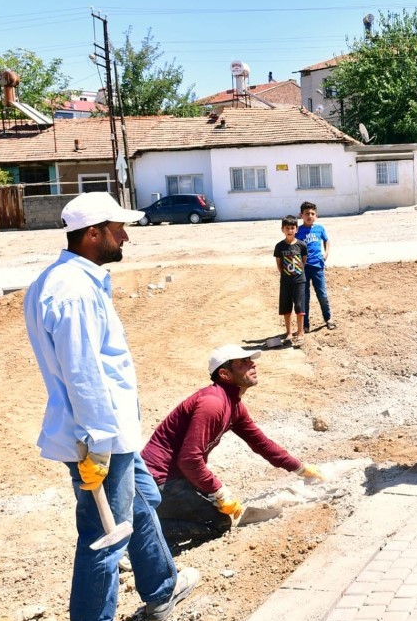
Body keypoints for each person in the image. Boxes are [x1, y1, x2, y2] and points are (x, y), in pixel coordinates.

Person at [23, 191, 199, 621]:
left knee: (141, 503)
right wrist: (99, 444)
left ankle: (162, 588)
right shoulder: (73, 291)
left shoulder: (68, 281)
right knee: (105, 530)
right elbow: (83, 373)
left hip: (111, 430)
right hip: (97, 435)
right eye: (117, 229)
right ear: (92, 234)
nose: (125, 237)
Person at [142, 345, 325, 537]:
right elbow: (189, 460)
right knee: (218, 523)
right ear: (225, 374)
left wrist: (300, 468)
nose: (252, 364)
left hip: (178, 476)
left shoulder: (233, 405)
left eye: (250, 360)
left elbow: (261, 443)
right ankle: (142, 526)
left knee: (214, 507)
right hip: (158, 479)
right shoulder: (212, 403)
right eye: (243, 362)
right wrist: (219, 491)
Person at [296, 201, 334, 331]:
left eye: (312, 214)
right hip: (303, 268)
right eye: (307, 213)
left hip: (317, 266)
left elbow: (326, 240)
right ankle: (305, 324)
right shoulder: (298, 231)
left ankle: (328, 319)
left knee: (322, 294)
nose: (310, 216)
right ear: (301, 215)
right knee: (304, 296)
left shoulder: (320, 229)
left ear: (316, 216)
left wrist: (326, 253)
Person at [274, 216, 308, 346]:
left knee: (299, 306)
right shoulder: (279, 246)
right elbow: (279, 264)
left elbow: (303, 261)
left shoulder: (301, 245)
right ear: (282, 229)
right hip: (285, 281)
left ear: (296, 229)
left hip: (299, 281)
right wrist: (286, 275)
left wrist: (297, 274)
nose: (290, 230)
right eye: (287, 228)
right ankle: (288, 332)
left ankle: (300, 332)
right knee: (286, 307)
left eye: (292, 228)